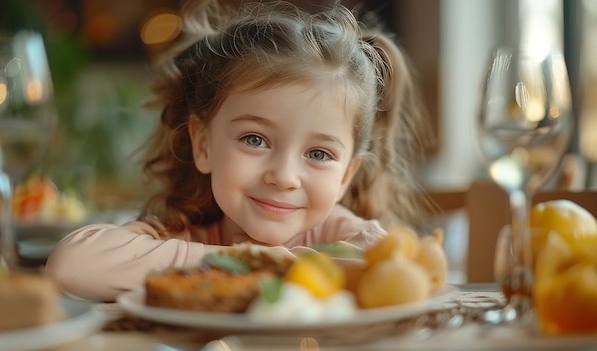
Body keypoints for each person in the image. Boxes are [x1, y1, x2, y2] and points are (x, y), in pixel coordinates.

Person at [45, 0, 430, 302]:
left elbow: (395, 267)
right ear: (203, 144)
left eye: (318, 154)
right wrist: (249, 264)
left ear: (346, 174)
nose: (283, 176)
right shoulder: (187, 235)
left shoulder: (339, 235)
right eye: (255, 140)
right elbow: (71, 266)